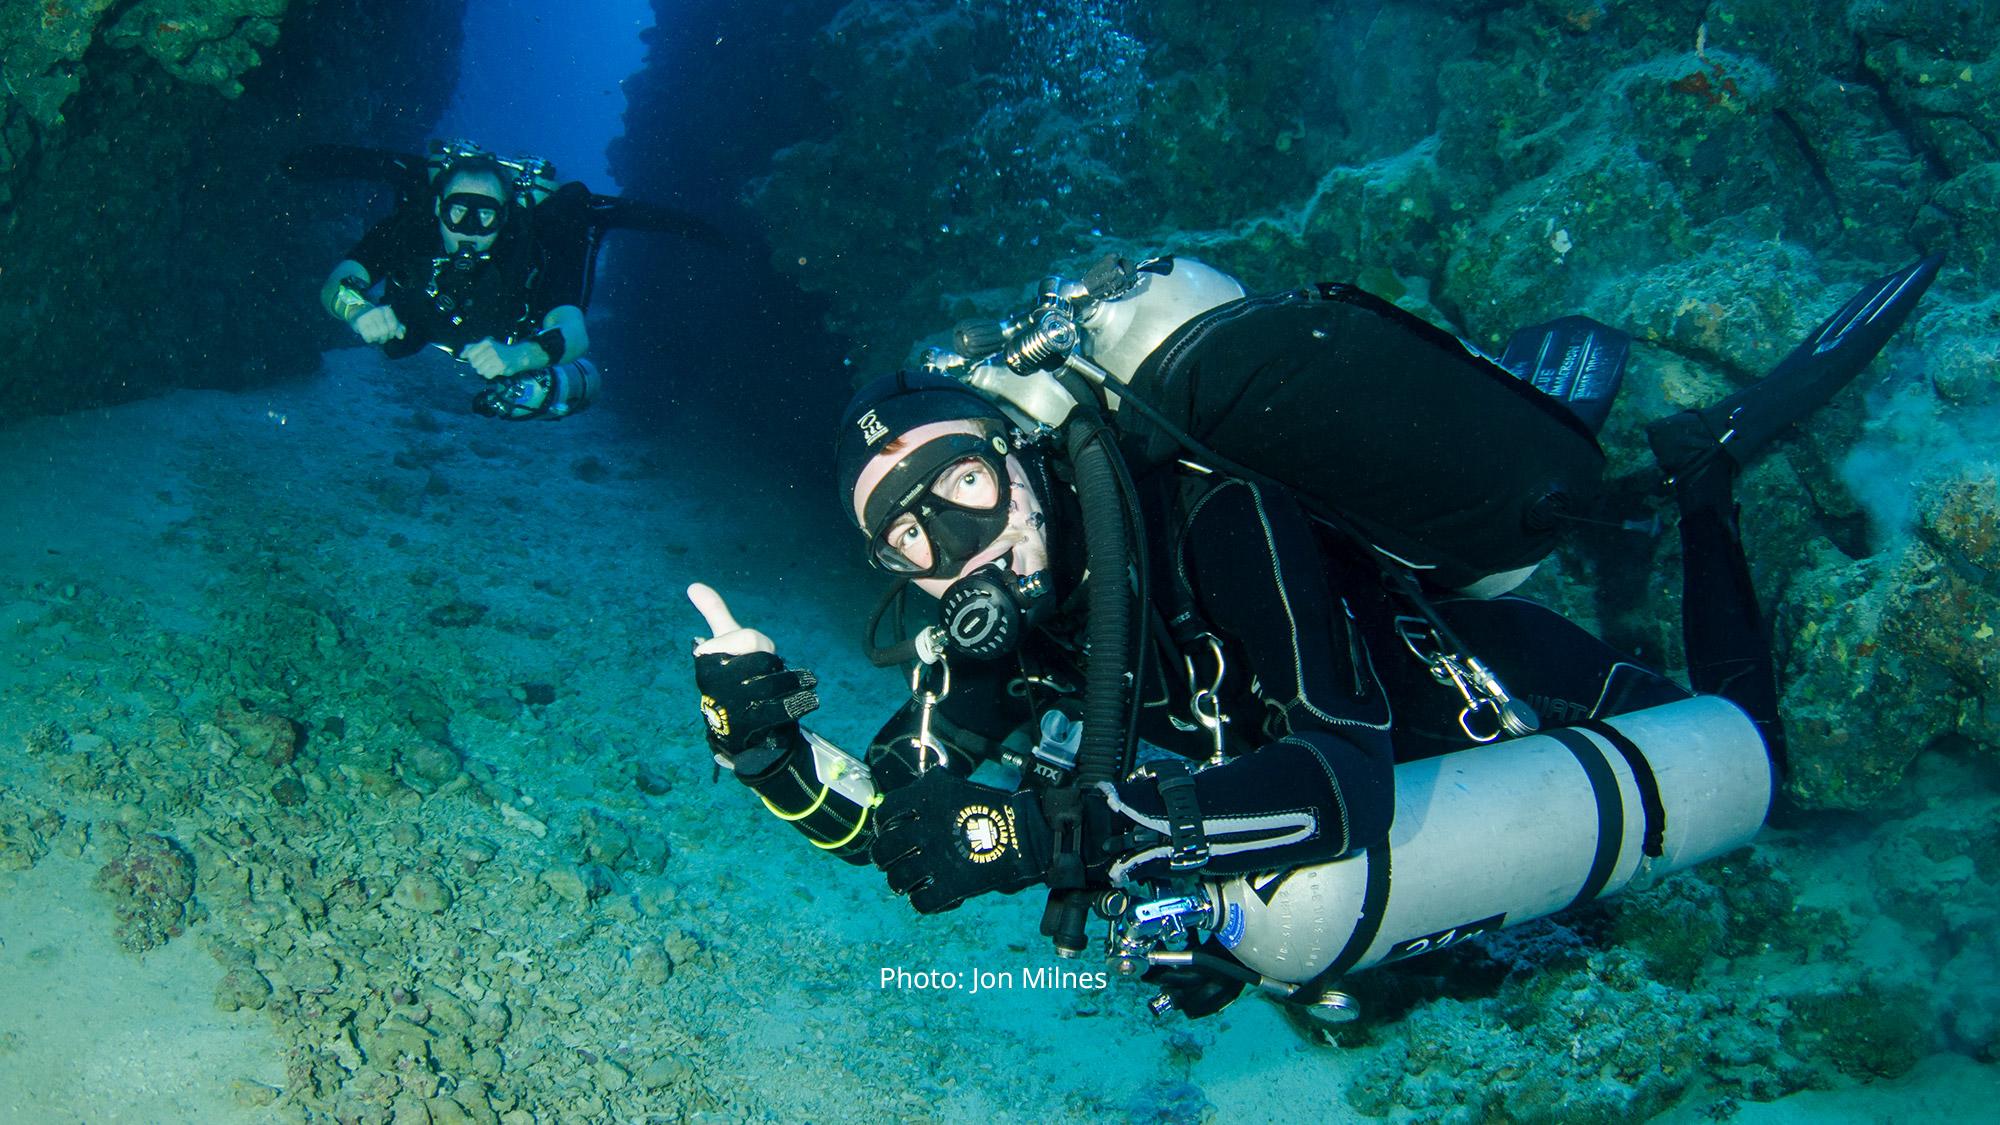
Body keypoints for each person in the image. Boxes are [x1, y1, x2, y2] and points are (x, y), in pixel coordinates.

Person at [687, 252, 1942, 1020]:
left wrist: (1050, 830)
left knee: (1750, 761)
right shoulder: (988, 635)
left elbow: (1341, 787)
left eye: (955, 480)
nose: (948, 541)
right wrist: (770, 757)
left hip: (1463, 688)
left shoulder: (1219, 515)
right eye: (902, 533)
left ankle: (1702, 483)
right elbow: (889, 822)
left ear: (1016, 453)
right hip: (1339, 870)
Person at [315, 140, 601, 420]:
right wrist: (357, 310)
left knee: (545, 392)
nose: (470, 230)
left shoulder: (528, 251)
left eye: (485, 214)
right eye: (458, 211)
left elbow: (574, 332)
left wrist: (522, 356)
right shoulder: (410, 230)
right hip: (425, 320)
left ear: (503, 217)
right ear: (439, 208)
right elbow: (337, 282)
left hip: (513, 342)